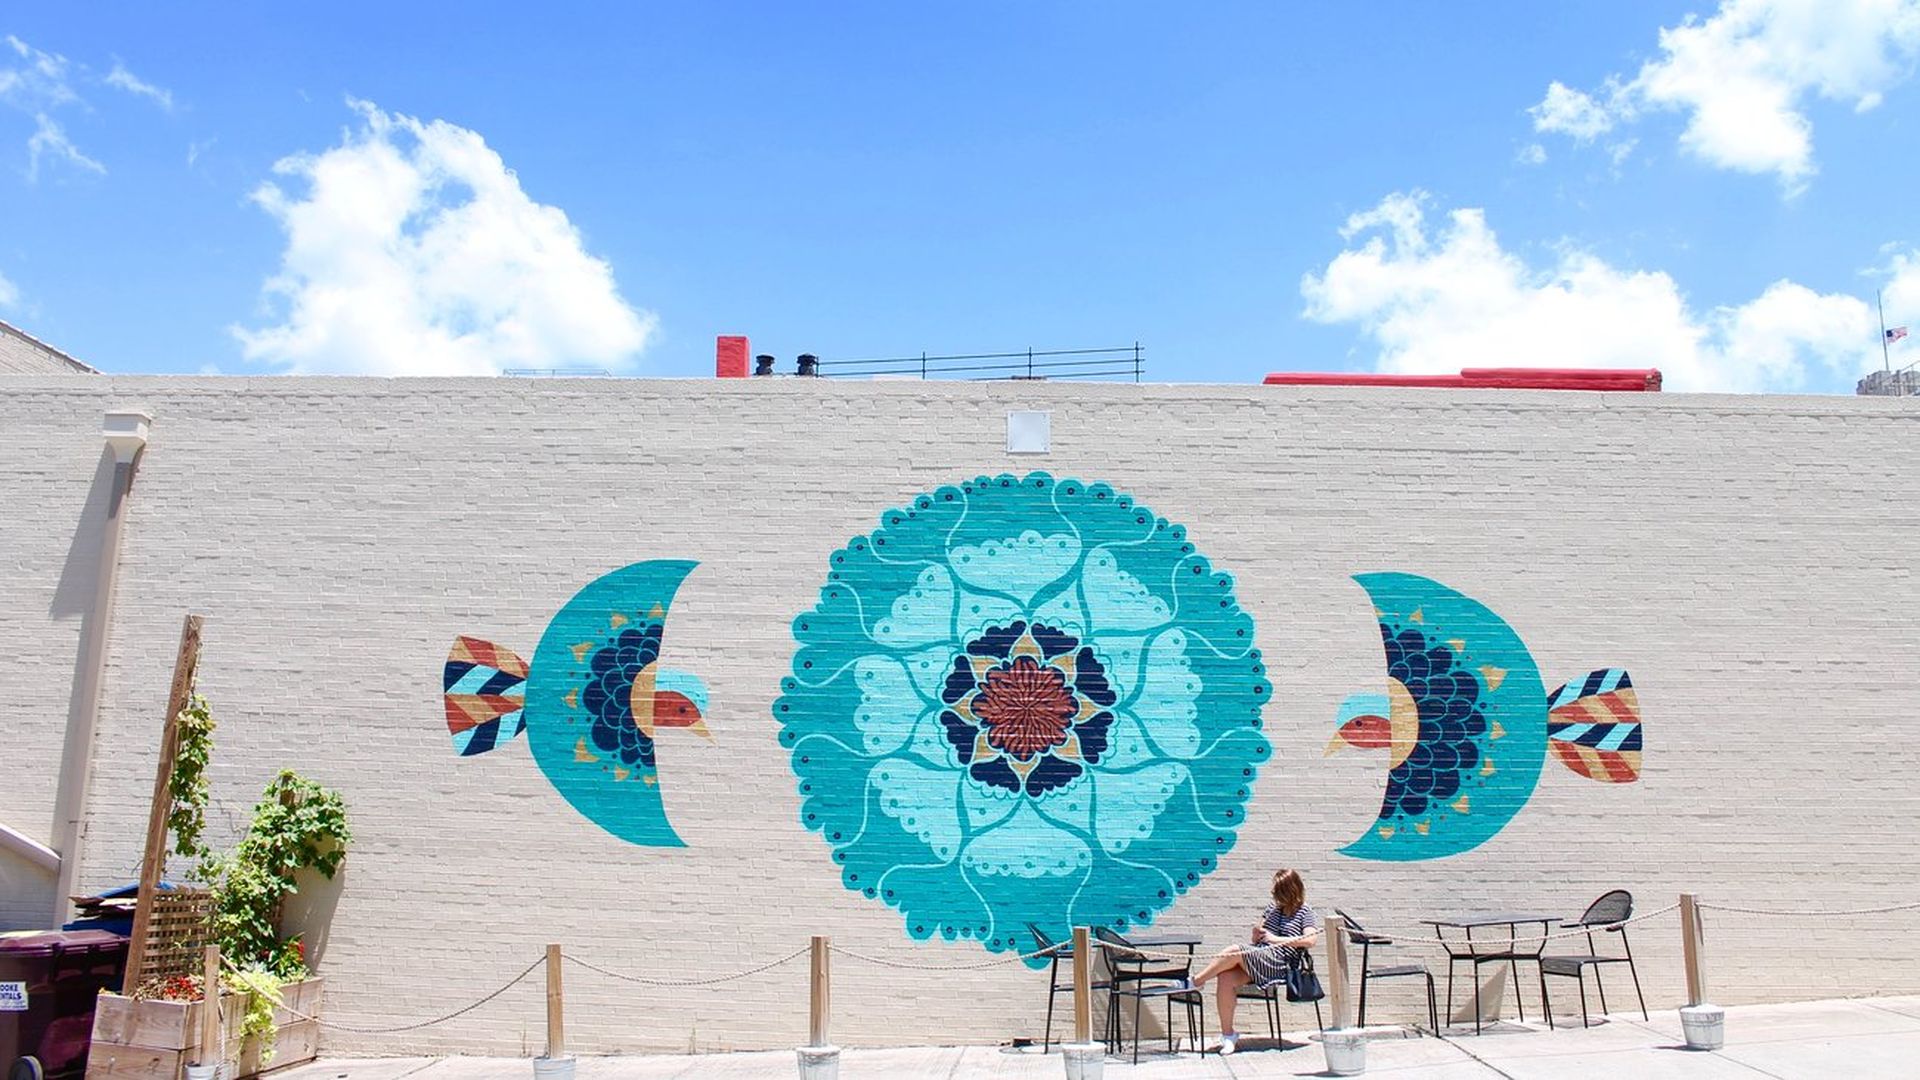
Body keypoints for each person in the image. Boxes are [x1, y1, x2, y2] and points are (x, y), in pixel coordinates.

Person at [1187, 867, 1322, 1055]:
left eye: (1278, 890)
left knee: (1235, 950)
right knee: (1225, 977)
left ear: (1290, 890)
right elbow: (1257, 937)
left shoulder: (1304, 911)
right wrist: (1256, 933)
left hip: (1280, 963)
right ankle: (1228, 1035)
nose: (1274, 893)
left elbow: (1311, 940)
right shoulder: (1272, 909)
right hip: (1260, 957)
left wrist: (1276, 939)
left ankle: (1195, 982)